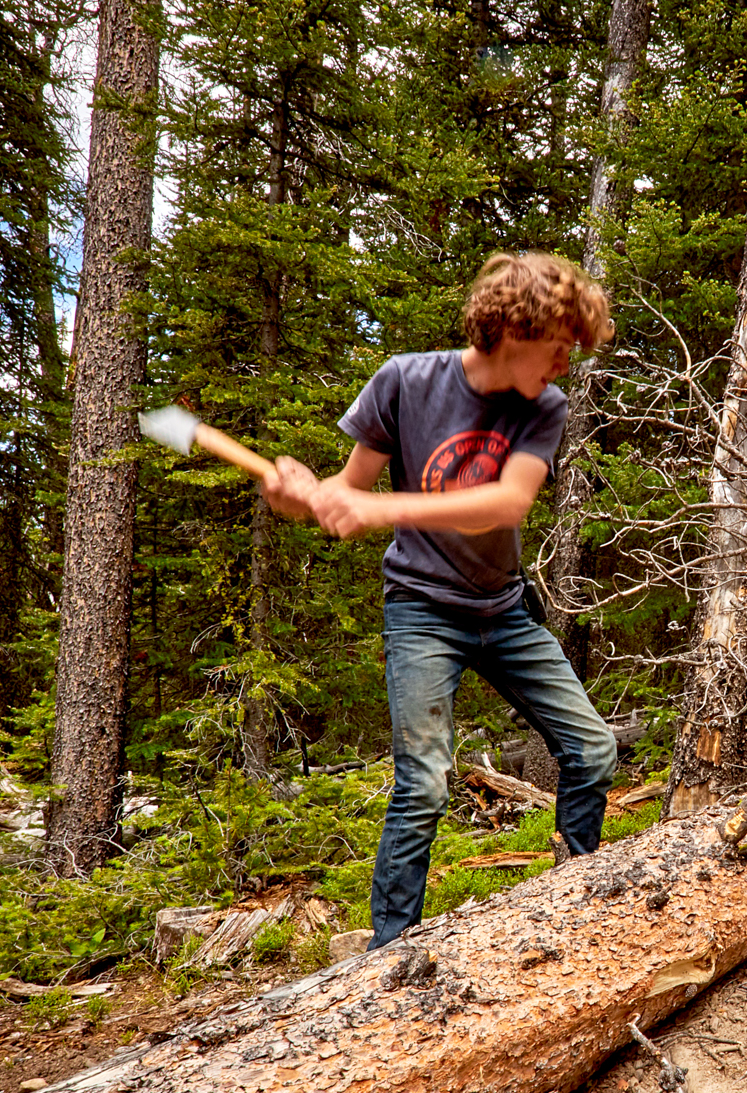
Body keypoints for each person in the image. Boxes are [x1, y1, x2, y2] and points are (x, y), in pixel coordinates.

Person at [261, 252, 618, 947]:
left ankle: (575, 906)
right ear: (518, 327)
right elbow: (343, 495)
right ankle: (390, 952)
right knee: (424, 781)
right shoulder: (405, 381)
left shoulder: (545, 407)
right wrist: (295, 497)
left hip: (503, 608)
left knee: (594, 748)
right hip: (422, 610)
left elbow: (505, 503)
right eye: (560, 347)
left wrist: (378, 508)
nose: (566, 365)